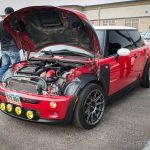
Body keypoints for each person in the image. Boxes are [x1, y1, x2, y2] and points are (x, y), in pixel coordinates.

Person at [0, 7, 20, 82]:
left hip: (4, 49)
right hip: (13, 49)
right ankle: (14, 83)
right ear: (12, 13)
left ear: (5, 13)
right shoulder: (12, 22)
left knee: (4, 66)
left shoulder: (0, 23)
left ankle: (0, 81)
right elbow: (20, 32)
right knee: (16, 67)